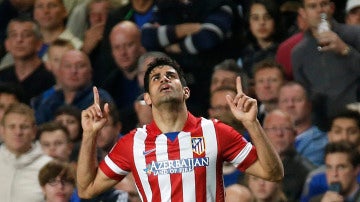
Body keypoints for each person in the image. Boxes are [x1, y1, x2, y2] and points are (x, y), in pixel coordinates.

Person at [77, 57, 284, 201]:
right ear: (147, 98)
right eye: (155, 78)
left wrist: (252, 123)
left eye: (170, 75)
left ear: (185, 91)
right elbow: (86, 189)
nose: (164, 79)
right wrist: (89, 135)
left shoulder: (215, 132)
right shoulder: (133, 144)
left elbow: (272, 173)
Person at [292, 0, 360, 130]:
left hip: (357, 120)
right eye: (312, 6)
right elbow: (304, 94)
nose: (319, 10)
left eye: (323, 4)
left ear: (332, 8)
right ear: (303, 12)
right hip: (322, 126)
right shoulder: (299, 52)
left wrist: (345, 50)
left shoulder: (355, 35)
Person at [34, 49, 114, 124]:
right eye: (68, 66)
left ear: (90, 72)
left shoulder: (99, 98)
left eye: (80, 66)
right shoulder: (50, 101)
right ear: (59, 72)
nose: (73, 71)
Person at [300, 109, 360, 202]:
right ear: (329, 135)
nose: (344, 137)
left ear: (356, 170)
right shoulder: (315, 183)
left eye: (341, 167)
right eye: (329, 167)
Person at [0, 103, 52, 202]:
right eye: (12, 126)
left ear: (34, 132)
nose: (18, 132)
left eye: (24, 127)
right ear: (2, 130)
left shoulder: (49, 166)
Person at [0, 17, 55, 104]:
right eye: (14, 35)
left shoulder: (51, 77)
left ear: (39, 44)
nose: (19, 40)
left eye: (26, 35)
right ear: (7, 44)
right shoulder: (2, 77)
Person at [263, 109, 315, 201]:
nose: (279, 134)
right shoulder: (252, 165)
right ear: (263, 134)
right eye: (273, 128)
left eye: (285, 128)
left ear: (295, 135)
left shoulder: (306, 173)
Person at [103, 20, 145, 133]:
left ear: (141, 45)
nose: (123, 53)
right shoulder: (109, 84)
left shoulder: (154, 78)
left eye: (129, 45)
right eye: (117, 47)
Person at [278, 81, 327, 166]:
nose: (290, 105)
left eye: (297, 100)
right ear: (278, 106)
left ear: (309, 105)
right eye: (285, 101)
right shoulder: (268, 138)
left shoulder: (322, 141)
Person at [238, 0, 285, 79]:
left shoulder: (285, 51)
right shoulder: (243, 55)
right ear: (249, 23)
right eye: (255, 18)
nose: (262, 22)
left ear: (275, 21)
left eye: (267, 17)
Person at [31, 39, 75, 110]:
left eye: (66, 58)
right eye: (56, 60)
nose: (62, 63)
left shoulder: (93, 96)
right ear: (48, 65)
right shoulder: (40, 100)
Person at [253, 59, 286, 124]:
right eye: (261, 81)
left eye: (273, 80)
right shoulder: (251, 116)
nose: (266, 86)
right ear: (255, 87)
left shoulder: (295, 114)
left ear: (284, 84)